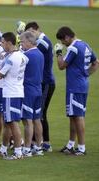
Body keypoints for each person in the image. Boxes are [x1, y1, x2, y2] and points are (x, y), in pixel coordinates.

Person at [55, 26, 99, 156]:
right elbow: (96, 62)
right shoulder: (85, 45)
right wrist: (85, 75)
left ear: (67, 37)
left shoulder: (73, 48)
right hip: (81, 85)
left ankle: (81, 148)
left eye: (63, 41)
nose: (62, 43)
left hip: (75, 87)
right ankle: (70, 145)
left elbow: (61, 66)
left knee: (78, 117)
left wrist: (58, 53)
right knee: (73, 116)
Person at [0, 32, 28, 160]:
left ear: (8, 42)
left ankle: (18, 152)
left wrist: (0, 63)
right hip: (18, 91)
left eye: (2, 42)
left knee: (12, 123)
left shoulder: (10, 59)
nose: (1, 45)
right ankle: (3, 150)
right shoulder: (22, 56)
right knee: (7, 123)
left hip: (10, 93)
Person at [24, 22, 55, 152]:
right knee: (37, 115)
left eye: (31, 32)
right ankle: (36, 142)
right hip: (40, 82)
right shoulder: (41, 41)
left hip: (44, 82)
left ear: (37, 30)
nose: (31, 35)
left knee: (39, 114)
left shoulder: (42, 42)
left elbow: (30, 49)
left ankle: (43, 143)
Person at [20, 31, 44, 157]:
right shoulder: (40, 54)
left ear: (29, 42)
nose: (21, 44)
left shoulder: (26, 55)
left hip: (28, 91)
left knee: (27, 121)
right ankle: (39, 148)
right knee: (36, 119)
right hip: (38, 90)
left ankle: (27, 148)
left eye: (22, 42)